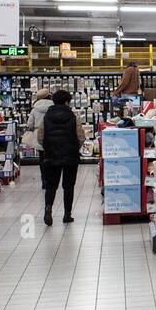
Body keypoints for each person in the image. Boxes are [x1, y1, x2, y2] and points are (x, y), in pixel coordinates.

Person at [39, 88, 86, 226]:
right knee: (68, 186)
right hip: (70, 156)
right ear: (67, 102)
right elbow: (81, 136)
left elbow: (40, 136)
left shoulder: (46, 116)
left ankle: (48, 208)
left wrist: (48, 147)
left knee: (51, 185)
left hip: (51, 156)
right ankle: (67, 215)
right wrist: (74, 147)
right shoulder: (73, 116)